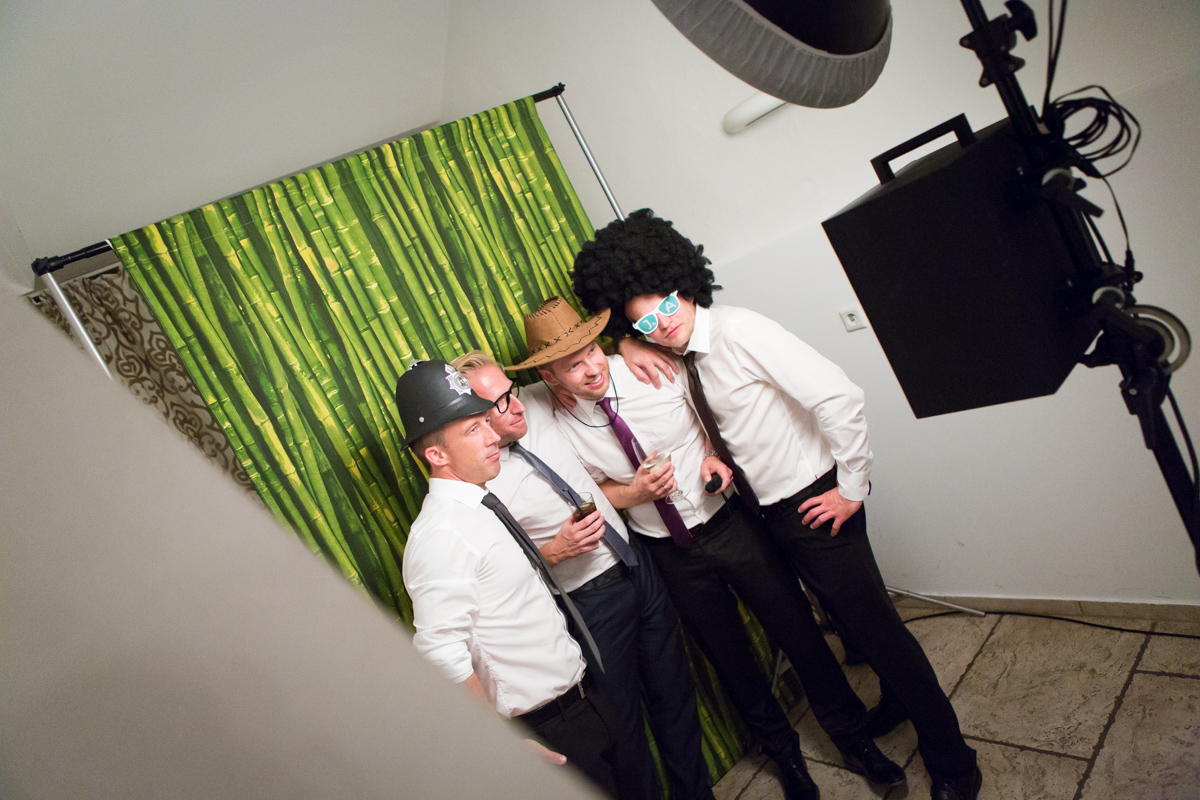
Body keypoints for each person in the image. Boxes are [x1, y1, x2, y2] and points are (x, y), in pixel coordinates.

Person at [570, 208, 983, 800]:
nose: (661, 325)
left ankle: (953, 760)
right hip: (766, 515)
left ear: (684, 286)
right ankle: (895, 702)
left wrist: (851, 488)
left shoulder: (740, 332)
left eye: (666, 308)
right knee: (850, 628)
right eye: (645, 323)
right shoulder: (677, 354)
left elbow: (840, 397)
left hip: (814, 502)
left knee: (881, 632)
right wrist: (626, 342)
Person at [525, 300, 907, 800]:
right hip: (669, 552)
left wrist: (710, 454)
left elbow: (714, 420)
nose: (592, 368)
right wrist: (634, 493)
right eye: (573, 366)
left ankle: (854, 739)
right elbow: (596, 488)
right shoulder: (555, 422)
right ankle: (785, 756)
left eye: (593, 352)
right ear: (550, 378)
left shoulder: (648, 367)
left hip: (730, 524)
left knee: (799, 631)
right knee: (731, 659)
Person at [451, 334, 713, 800]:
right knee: (624, 729)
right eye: (499, 403)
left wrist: (627, 344)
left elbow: (583, 364)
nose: (516, 405)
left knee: (675, 697)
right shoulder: (478, 483)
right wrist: (553, 552)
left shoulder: (534, 401)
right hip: (588, 604)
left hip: (636, 564)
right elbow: (500, 577)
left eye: (512, 390)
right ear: (472, 421)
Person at [396, 359, 618, 797]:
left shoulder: (479, 505)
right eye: (472, 430)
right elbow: (440, 653)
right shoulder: (441, 533)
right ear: (437, 455)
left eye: (485, 422)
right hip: (544, 726)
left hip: (581, 701)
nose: (491, 436)